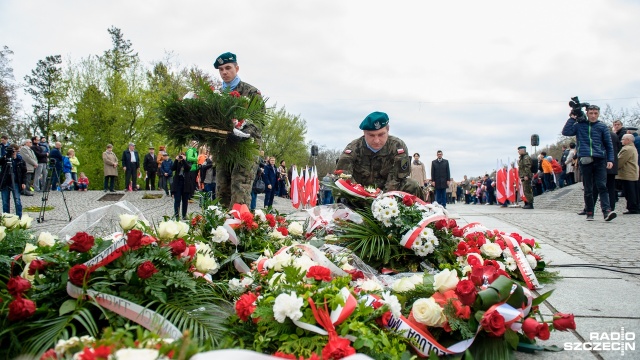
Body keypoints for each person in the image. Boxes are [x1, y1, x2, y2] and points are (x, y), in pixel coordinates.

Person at [213, 51, 264, 207]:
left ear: (237, 68)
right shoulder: (216, 95)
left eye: (228, 68)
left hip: (245, 150)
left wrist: (242, 134)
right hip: (224, 150)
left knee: (239, 191)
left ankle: (240, 228)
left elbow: (259, 121)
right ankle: (220, 231)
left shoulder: (251, 92)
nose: (224, 72)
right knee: (222, 192)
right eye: (221, 69)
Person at [336, 111, 424, 200]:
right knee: (340, 191)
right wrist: (361, 195)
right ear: (364, 132)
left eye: (381, 134)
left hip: (389, 192)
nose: (376, 140)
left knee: (412, 185)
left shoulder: (397, 146)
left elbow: (396, 179)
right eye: (371, 135)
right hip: (360, 193)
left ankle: (421, 211)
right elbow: (343, 177)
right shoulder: (353, 148)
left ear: (388, 129)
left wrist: (383, 201)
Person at [562, 104, 616, 221]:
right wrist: (572, 118)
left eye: (595, 113)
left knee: (602, 185)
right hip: (585, 159)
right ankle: (590, 212)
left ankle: (606, 211)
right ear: (587, 113)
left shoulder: (602, 127)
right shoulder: (580, 125)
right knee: (588, 188)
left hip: (600, 158)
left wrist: (610, 159)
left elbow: (608, 144)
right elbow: (566, 131)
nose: (593, 116)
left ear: (598, 114)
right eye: (591, 113)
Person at [0, 144, 27, 218]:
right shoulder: (5, 159)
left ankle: (19, 217)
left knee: (17, 200)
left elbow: (24, 172)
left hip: (15, 182)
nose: (13, 152)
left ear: (17, 150)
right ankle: (6, 218)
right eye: (12, 150)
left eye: (14, 150)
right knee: (5, 202)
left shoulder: (20, 160)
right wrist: (5, 157)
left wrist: (23, 182)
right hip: (5, 182)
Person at [616, 134, 639, 214]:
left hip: (627, 173)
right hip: (632, 173)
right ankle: (633, 207)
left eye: (623, 139)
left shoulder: (626, 149)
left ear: (628, 140)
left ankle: (632, 208)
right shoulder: (632, 148)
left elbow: (620, 161)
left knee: (629, 192)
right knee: (633, 191)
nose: (621, 141)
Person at [171, 152, 192, 219]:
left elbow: (188, 168)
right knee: (177, 200)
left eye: (183, 156)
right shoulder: (178, 163)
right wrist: (176, 160)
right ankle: (177, 215)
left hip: (185, 183)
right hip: (178, 183)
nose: (181, 157)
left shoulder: (188, 162)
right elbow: (172, 168)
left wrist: (183, 160)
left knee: (185, 200)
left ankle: (184, 215)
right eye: (181, 156)